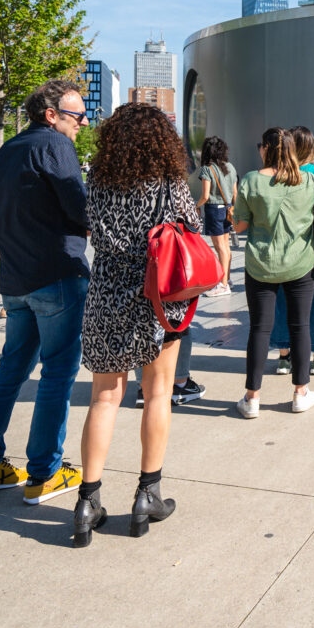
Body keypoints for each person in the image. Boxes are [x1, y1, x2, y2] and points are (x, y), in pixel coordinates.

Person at [74, 103, 204, 546]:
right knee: (157, 394)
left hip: (106, 290)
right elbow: (193, 226)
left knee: (103, 398)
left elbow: (90, 226)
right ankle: (148, 492)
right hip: (155, 293)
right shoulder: (168, 182)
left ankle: (87, 500)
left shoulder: (98, 178)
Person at [0, 79, 91, 508]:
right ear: (51, 115)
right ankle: (45, 474)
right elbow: (80, 207)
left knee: (11, 371)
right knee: (57, 375)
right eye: (77, 115)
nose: (84, 122)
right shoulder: (55, 145)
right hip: (57, 274)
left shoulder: (10, 148)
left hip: (16, 278)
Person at [234, 126, 314, 417]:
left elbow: (239, 226)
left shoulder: (251, 180)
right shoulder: (309, 180)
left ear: (266, 149)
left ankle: (252, 398)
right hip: (301, 263)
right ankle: (300, 392)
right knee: (300, 327)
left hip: (261, 264)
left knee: (259, 328)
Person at [268, 127, 314, 376]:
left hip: (283, 246)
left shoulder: (277, 174)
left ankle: (284, 357)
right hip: (313, 248)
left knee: (283, 302)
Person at [195, 136, 237, 297]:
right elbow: (235, 194)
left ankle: (223, 285)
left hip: (214, 210)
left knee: (220, 248)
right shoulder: (230, 167)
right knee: (226, 247)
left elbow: (205, 196)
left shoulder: (207, 169)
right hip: (227, 210)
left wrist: (195, 206)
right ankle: (228, 279)